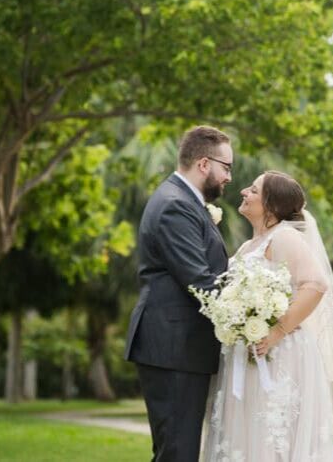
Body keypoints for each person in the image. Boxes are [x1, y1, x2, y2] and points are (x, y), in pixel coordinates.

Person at [201, 170, 333, 461]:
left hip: (279, 355)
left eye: (253, 190)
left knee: (271, 434)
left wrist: (276, 331)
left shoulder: (285, 237)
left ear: (271, 204)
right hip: (244, 353)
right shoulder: (245, 248)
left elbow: (316, 284)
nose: (243, 192)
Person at [125, 125, 234, 462]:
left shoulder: (183, 200)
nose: (229, 177)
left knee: (177, 450)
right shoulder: (175, 205)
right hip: (174, 346)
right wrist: (247, 316)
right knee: (177, 452)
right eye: (226, 167)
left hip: (180, 346)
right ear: (204, 164)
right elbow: (199, 281)